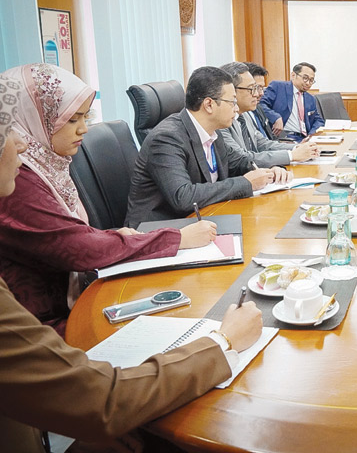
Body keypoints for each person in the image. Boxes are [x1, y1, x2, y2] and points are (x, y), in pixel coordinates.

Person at [0, 77, 264, 453]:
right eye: (9, 133)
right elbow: (99, 400)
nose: (23, 143)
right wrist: (222, 342)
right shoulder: (21, 186)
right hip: (63, 340)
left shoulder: (49, 167)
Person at [0, 64, 216, 336]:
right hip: (42, 328)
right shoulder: (15, 177)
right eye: (72, 119)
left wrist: (111, 236)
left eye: (85, 117)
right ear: (32, 119)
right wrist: (176, 238)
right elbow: (76, 246)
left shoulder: (48, 164)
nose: (84, 129)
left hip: (68, 303)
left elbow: (61, 234)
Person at [125, 66, 290, 228]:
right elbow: (183, 197)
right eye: (232, 102)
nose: (236, 108)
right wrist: (247, 183)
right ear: (209, 104)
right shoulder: (167, 138)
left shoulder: (212, 132)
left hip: (203, 219)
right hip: (158, 231)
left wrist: (269, 171)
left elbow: (238, 162)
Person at [218, 62, 319, 167]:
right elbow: (242, 159)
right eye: (252, 88)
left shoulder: (245, 115)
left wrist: (297, 148)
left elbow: (262, 143)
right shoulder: (220, 123)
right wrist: (291, 155)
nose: (258, 94)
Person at [259, 61, 325, 142]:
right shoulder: (278, 87)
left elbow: (318, 120)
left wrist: (311, 135)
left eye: (311, 80)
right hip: (285, 138)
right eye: (305, 78)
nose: (308, 83)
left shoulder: (310, 98)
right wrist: (276, 117)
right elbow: (260, 105)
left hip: (304, 138)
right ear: (293, 75)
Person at [243, 61, 276, 139]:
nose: (261, 93)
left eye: (262, 88)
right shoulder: (237, 117)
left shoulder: (258, 108)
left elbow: (269, 139)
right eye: (256, 88)